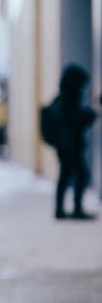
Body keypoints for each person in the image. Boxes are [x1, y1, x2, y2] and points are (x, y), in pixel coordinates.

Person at [44, 65, 98, 219]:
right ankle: (73, 210)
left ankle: (66, 209)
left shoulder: (66, 99)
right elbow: (74, 120)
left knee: (69, 176)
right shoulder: (67, 100)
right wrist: (89, 115)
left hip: (68, 146)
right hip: (69, 147)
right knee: (77, 176)